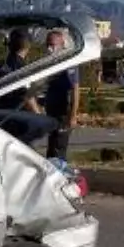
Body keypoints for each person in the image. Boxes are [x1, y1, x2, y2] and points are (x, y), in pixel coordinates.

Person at [42, 29, 80, 161]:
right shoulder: (49, 63)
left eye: (52, 45)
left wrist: (73, 116)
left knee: (59, 149)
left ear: (62, 45)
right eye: (47, 44)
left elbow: (75, 89)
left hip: (63, 112)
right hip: (51, 111)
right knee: (51, 147)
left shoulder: (68, 64)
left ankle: (60, 177)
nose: (49, 48)